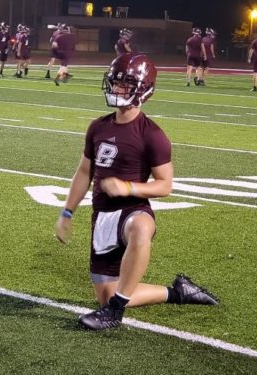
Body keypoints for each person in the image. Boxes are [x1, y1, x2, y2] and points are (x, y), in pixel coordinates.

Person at [54, 53, 219, 331]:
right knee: (108, 294)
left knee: (142, 227)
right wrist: (67, 211)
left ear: (143, 90)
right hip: (103, 216)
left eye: (126, 85)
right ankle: (177, 292)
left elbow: (165, 184)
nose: (117, 89)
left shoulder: (153, 135)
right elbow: (84, 172)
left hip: (132, 210)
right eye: (115, 83)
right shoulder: (98, 126)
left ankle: (114, 313)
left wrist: (128, 187)